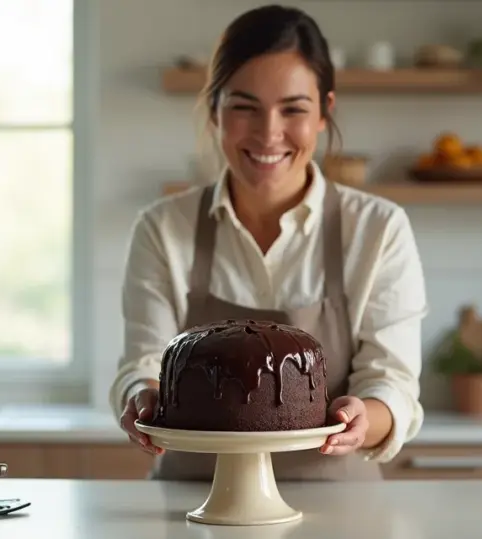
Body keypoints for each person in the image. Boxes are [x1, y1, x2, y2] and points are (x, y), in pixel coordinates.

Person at [110, 4, 428, 481]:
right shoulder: (162, 229)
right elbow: (144, 362)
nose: (268, 133)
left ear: (324, 112)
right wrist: (141, 393)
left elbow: (392, 381)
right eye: (244, 107)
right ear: (214, 110)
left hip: (338, 512)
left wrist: (367, 416)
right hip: (189, 506)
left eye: (293, 109)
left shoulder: (378, 229)